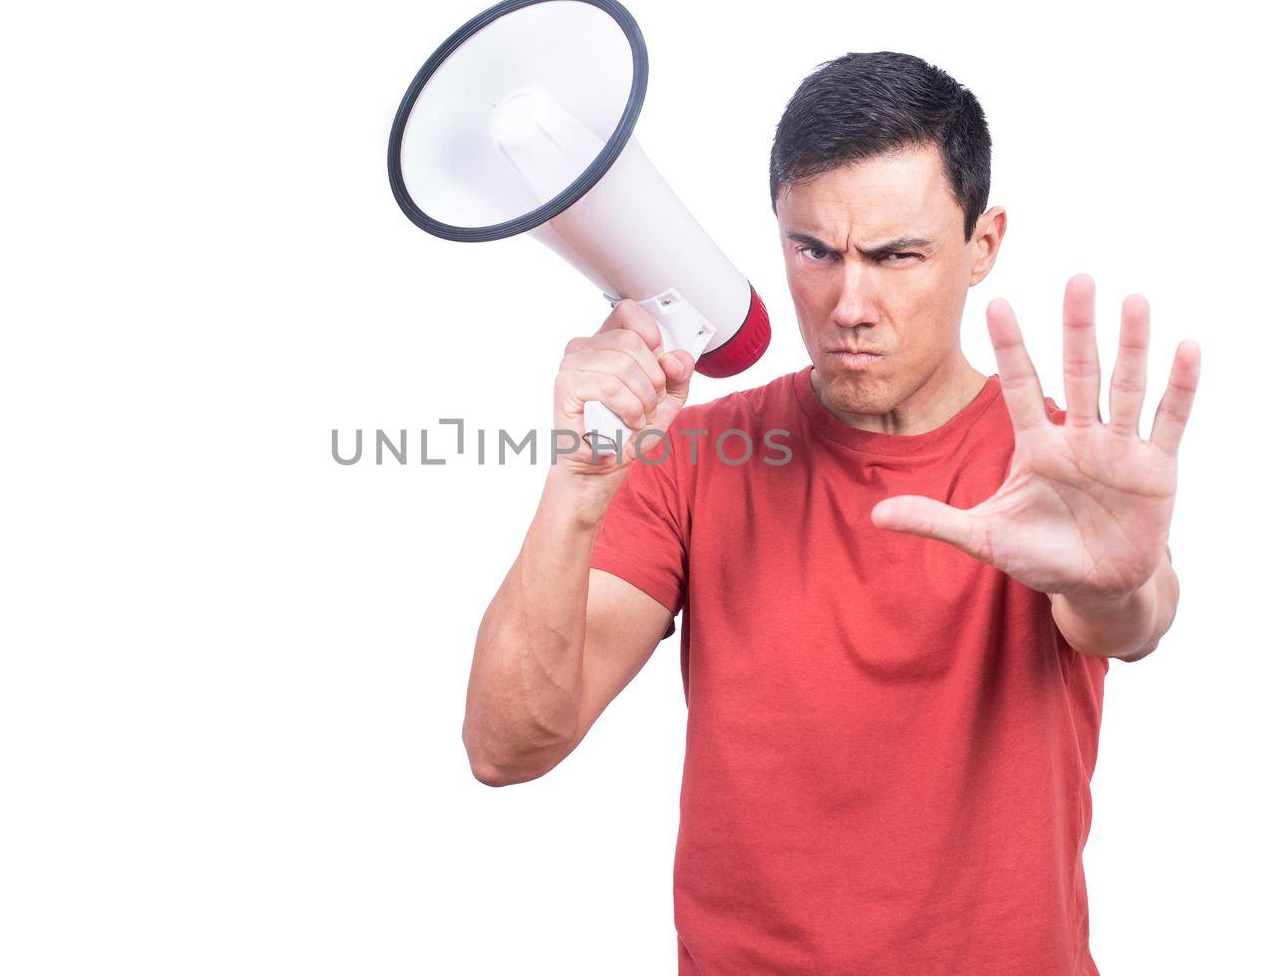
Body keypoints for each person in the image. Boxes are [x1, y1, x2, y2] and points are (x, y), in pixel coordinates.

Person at [462, 51, 1200, 974]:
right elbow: (507, 747)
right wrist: (575, 487)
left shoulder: (1062, 477)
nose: (851, 303)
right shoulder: (693, 457)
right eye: (815, 250)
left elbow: (1129, 617)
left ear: (984, 243)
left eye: (897, 256)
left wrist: (1122, 586)